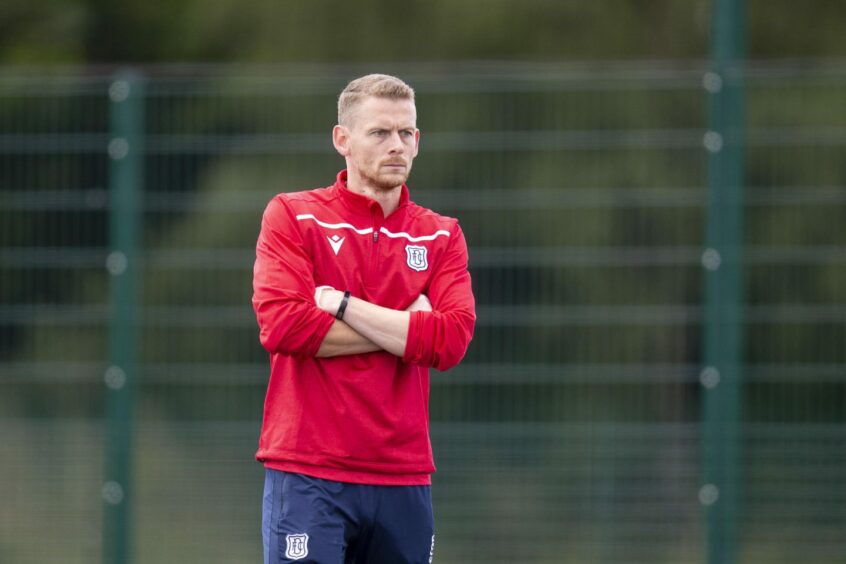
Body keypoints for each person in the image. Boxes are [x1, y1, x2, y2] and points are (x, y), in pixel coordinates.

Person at [252, 73, 476, 564]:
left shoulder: (442, 235)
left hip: (403, 475)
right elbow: (285, 327)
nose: (397, 145)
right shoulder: (293, 216)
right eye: (380, 133)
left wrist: (345, 306)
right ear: (343, 140)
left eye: (407, 133)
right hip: (309, 469)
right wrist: (405, 327)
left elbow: (450, 341)